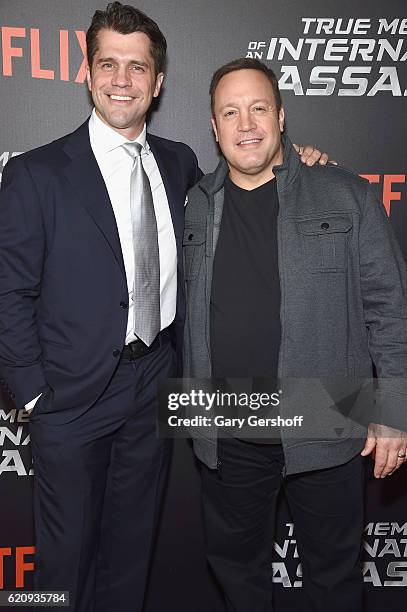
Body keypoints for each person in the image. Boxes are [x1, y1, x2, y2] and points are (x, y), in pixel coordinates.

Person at [0, 3, 327, 609]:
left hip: (152, 386)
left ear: (157, 82)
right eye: (109, 64)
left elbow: (249, 170)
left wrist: (298, 161)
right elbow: (9, 292)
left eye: (138, 67)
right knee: (61, 567)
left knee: (130, 557)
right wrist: (35, 395)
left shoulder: (179, 164)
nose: (122, 80)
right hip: (68, 398)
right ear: (87, 72)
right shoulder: (35, 173)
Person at [183, 57, 407, 612]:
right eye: (230, 112)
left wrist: (395, 412)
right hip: (228, 425)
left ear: (281, 117)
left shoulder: (346, 195)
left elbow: (390, 310)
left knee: (335, 579)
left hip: (327, 419)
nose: (247, 124)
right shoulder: (192, 204)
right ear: (213, 127)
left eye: (259, 108)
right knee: (238, 579)